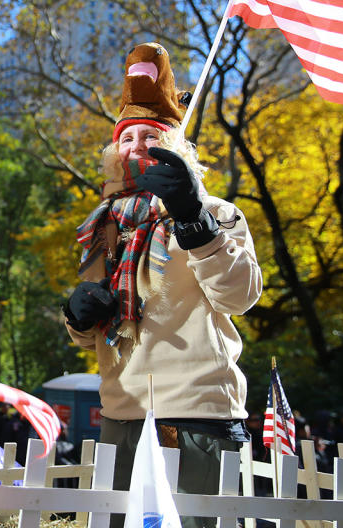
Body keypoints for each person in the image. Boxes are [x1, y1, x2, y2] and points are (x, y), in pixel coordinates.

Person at [62, 42, 262, 528]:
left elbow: (241, 295)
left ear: (174, 149)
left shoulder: (214, 212)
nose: (137, 148)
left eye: (150, 136)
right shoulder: (102, 227)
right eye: (127, 139)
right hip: (120, 413)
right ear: (115, 153)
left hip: (198, 416)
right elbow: (93, 338)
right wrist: (77, 316)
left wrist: (193, 220)